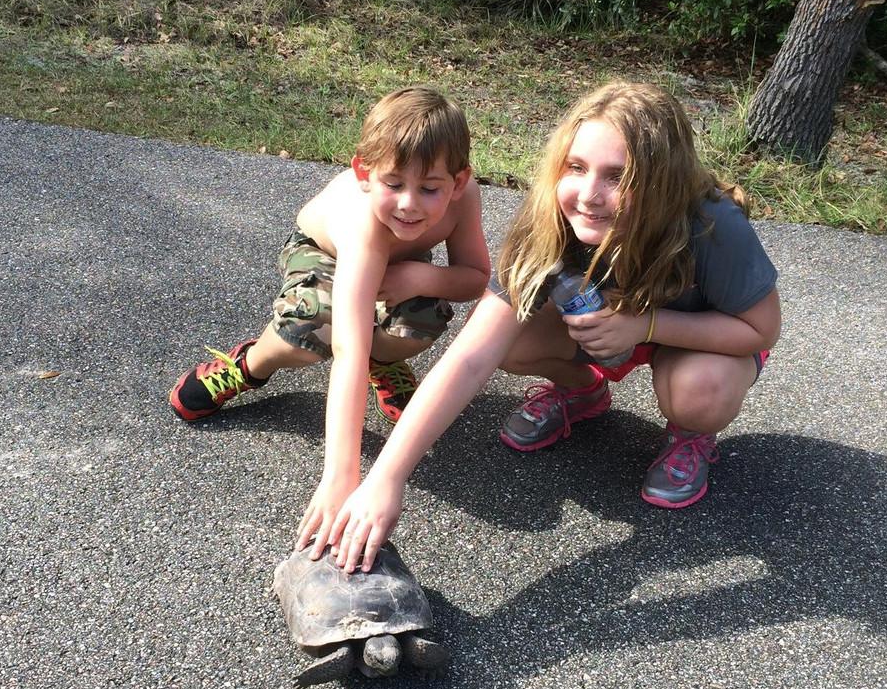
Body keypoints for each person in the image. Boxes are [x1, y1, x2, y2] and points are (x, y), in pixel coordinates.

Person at [299, 80, 782, 573]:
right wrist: (383, 478)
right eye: (576, 168)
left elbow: (760, 331)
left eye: (618, 177)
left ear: (663, 180)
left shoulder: (712, 224)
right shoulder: (552, 217)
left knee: (698, 391)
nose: (589, 195)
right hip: (604, 322)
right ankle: (582, 392)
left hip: (696, 340)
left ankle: (691, 435)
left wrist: (646, 324)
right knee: (513, 339)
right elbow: (469, 357)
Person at [170, 87, 490, 533]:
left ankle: (388, 361)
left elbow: (475, 275)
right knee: (311, 327)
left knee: (420, 321)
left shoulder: (464, 196)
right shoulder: (365, 226)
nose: (409, 203)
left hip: (396, 268)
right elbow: (348, 349)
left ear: (457, 183)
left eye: (429, 188)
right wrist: (342, 475)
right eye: (393, 184)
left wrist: (420, 278)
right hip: (325, 256)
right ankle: (250, 365)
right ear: (364, 172)